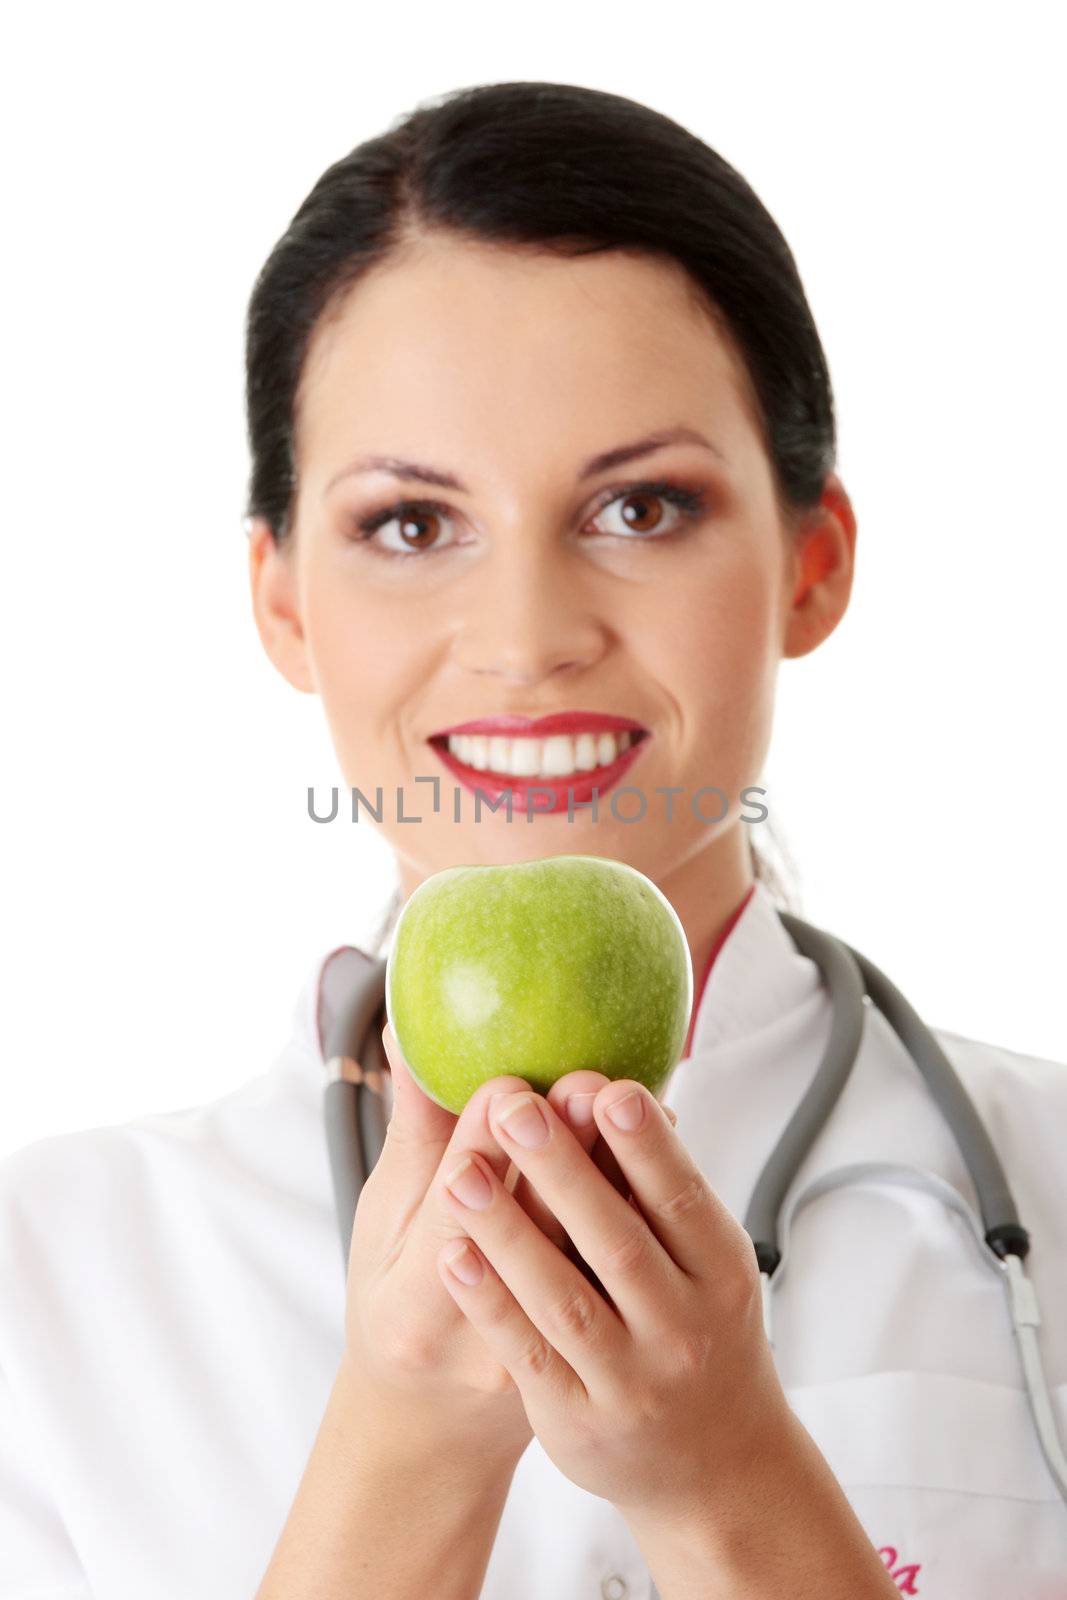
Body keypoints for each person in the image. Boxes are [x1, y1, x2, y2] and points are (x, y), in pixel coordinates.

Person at [2, 79, 1065, 1600]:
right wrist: (410, 1440)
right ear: (285, 601)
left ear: (812, 564)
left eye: (640, 508)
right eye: (413, 525)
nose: (527, 639)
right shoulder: (47, 1279)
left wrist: (726, 1478)